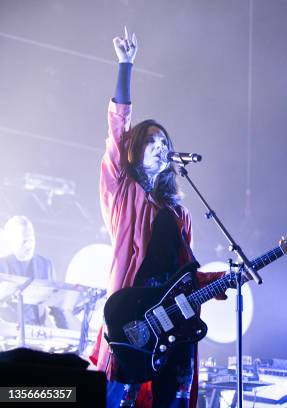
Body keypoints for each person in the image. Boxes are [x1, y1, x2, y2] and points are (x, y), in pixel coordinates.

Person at [89, 28, 227, 408]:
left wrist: (223, 278)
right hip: (134, 318)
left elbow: (186, 273)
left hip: (174, 324)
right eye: (152, 140)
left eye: (165, 142)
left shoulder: (179, 213)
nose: (161, 146)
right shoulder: (123, 191)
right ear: (135, 149)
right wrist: (126, 66)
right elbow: (117, 130)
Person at [0, 216, 56, 326]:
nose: (29, 246)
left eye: (31, 240)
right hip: (8, 334)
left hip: (39, 333)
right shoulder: (2, 265)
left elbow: (53, 303)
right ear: (11, 241)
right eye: (24, 241)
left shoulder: (45, 264)